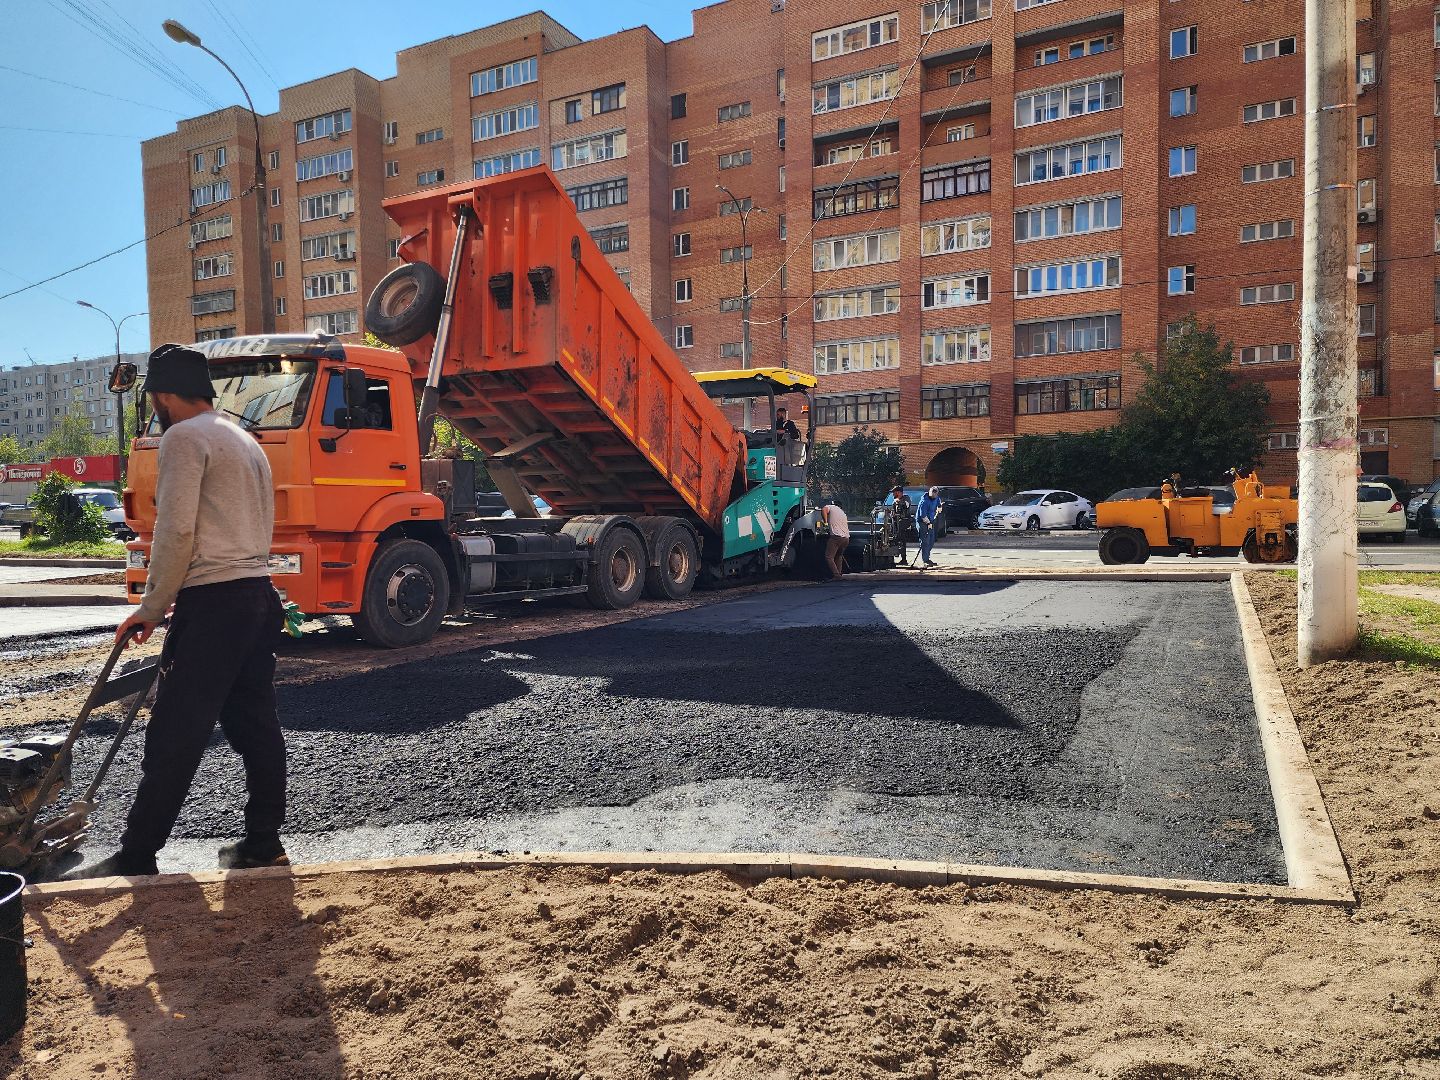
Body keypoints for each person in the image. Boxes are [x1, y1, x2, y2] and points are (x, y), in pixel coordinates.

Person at [73, 344, 287, 879]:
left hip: (214, 602)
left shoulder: (184, 437)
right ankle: (263, 841)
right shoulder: (242, 438)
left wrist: (151, 605)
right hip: (257, 597)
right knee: (256, 724)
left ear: (163, 395)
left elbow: (176, 529)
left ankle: (137, 854)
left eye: (153, 398)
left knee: (174, 732)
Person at [821, 497, 849, 579]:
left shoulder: (831, 507)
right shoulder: (843, 513)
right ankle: (839, 575)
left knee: (829, 557)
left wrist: (825, 523)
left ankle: (836, 576)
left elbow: (824, 510)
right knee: (839, 556)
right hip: (846, 539)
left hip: (836, 537)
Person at [915, 485, 942, 568]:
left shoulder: (936, 498)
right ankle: (925, 560)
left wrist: (940, 507)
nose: (934, 496)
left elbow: (939, 503)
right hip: (922, 522)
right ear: (930, 493)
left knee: (931, 540)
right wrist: (928, 523)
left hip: (931, 521)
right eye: (932, 494)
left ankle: (927, 558)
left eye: (935, 494)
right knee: (925, 541)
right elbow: (922, 516)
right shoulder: (924, 501)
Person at [888, 484, 912, 559]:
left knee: (901, 540)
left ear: (898, 492)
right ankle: (892, 557)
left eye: (894, 492)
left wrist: (898, 501)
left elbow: (906, 505)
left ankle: (903, 558)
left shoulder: (906, 498)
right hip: (895, 523)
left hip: (903, 522)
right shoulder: (894, 501)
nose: (893, 494)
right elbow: (893, 512)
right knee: (893, 539)